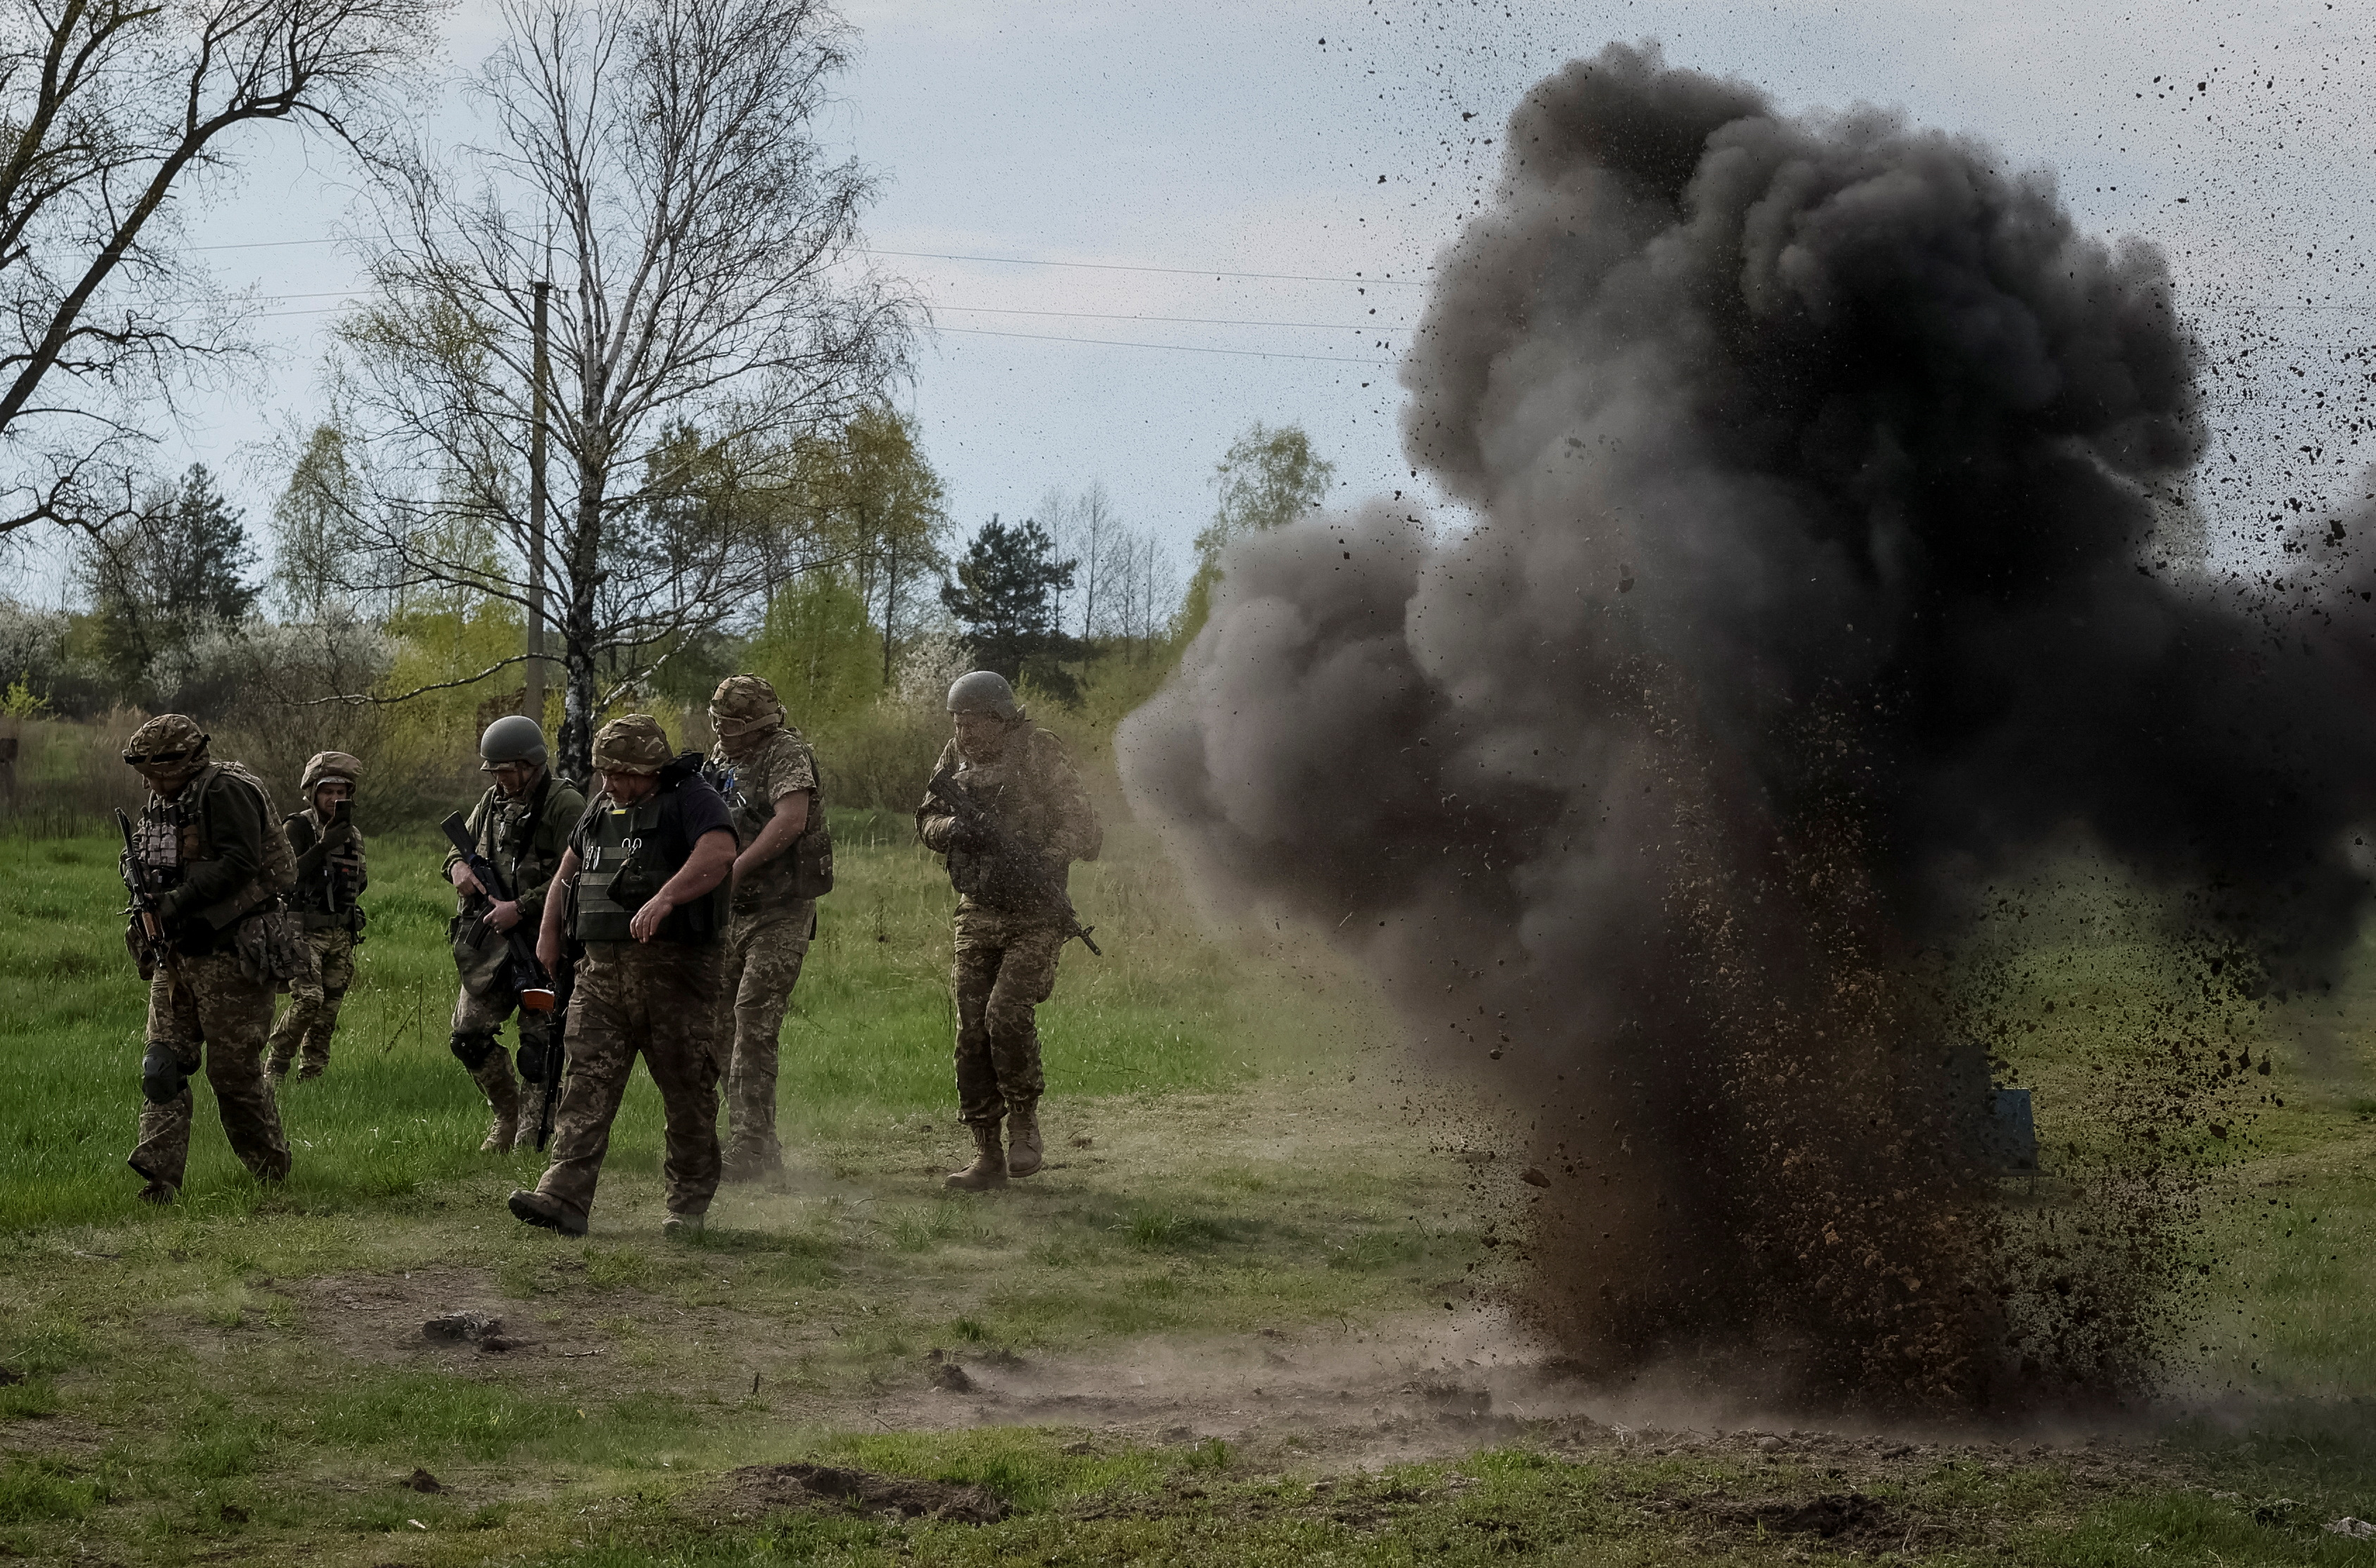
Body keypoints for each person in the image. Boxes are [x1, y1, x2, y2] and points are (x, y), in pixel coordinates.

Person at [510, 714, 736, 1238]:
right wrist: (549, 931)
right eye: (604, 773)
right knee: (585, 1084)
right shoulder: (601, 808)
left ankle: (687, 1206)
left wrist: (666, 897)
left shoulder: (692, 798)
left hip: (676, 978)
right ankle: (563, 1197)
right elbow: (569, 869)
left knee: (688, 1093)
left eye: (621, 774)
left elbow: (721, 851)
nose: (610, 784)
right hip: (601, 977)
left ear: (650, 768)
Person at [915, 671, 1101, 1191]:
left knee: (1006, 1014)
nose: (964, 733)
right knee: (970, 1029)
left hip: (1037, 909)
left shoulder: (1039, 753)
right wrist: (953, 828)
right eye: (957, 723)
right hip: (978, 908)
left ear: (1000, 719)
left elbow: (1085, 826)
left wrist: (1043, 855)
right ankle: (985, 1152)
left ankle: (1023, 1119)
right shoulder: (954, 757)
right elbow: (925, 817)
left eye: (972, 723)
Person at [119, 714, 295, 1204]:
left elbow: (241, 864)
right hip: (176, 956)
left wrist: (177, 904)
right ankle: (160, 1181)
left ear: (189, 759)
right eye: (146, 774)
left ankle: (271, 1175)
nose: (153, 783)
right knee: (162, 1067)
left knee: (234, 1075)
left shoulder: (225, 793)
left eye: (161, 772)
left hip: (232, 954)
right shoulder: (164, 798)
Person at [705, 674, 831, 1181]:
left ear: (758, 722)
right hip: (730, 913)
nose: (723, 732)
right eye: (718, 723)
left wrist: (735, 869)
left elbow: (790, 820)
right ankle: (746, 1138)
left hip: (781, 909)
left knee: (753, 1023)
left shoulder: (785, 754)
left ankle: (753, 1147)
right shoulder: (719, 761)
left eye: (732, 724)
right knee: (717, 1027)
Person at [444, 715, 584, 1152]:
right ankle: (506, 1116)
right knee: (467, 1038)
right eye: (495, 771)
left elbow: (577, 874)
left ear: (531, 764)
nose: (500, 779)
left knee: (538, 1047)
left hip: (542, 943)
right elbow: (456, 849)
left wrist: (520, 907)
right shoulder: (490, 802)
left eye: (506, 770)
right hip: (490, 947)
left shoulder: (566, 805)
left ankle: (532, 1131)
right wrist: (459, 869)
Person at [265, 750, 368, 1085]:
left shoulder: (353, 835)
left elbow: (360, 881)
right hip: (302, 930)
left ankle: (312, 1078)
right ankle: (275, 1066)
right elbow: (284, 877)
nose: (335, 799)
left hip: (340, 933)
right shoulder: (297, 828)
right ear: (313, 793)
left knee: (328, 1012)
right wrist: (323, 848)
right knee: (309, 1000)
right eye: (328, 792)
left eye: (341, 793)